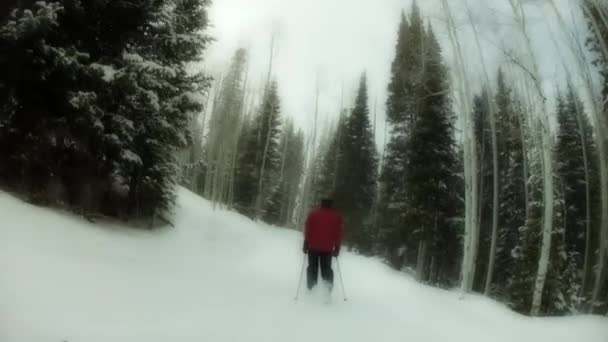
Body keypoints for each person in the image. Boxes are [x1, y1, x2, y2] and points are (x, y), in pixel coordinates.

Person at [302, 198, 343, 290]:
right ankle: (327, 291)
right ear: (331, 204)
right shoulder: (336, 216)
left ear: (322, 204)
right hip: (327, 249)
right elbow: (338, 233)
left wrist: (306, 243)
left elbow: (308, 229)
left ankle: (311, 289)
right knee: (326, 270)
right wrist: (337, 248)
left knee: (312, 268)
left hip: (313, 247)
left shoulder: (313, 214)